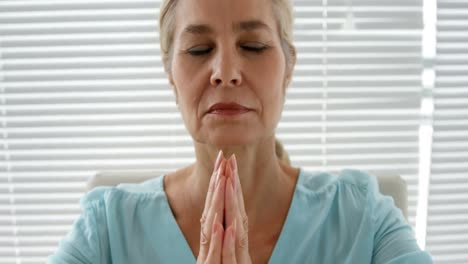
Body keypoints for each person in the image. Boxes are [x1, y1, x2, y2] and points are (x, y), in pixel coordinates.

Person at [48, 0, 433, 263]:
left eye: (253, 45)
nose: (226, 71)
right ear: (170, 75)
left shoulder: (361, 218)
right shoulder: (106, 229)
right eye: (199, 50)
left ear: (289, 68)